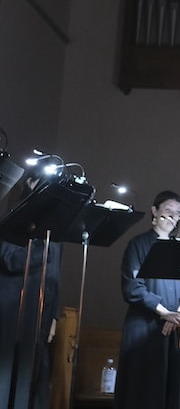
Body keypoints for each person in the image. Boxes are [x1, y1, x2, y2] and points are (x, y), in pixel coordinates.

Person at [114, 190, 180, 409]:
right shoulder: (138, 245)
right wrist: (164, 313)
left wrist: (178, 314)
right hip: (146, 328)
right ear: (154, 211)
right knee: (144, 391)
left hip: (179, 328)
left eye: (177, 213)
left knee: (176, 391)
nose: (172, 217)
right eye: (167, 211)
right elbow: (133, 287)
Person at [0, 167, 62, 409]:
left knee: (34, 377)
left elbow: (55, 275)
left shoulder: (54, 225)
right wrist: (41, 246)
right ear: (31, 182)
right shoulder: (14, 216)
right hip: (13, 313)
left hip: (41, 312)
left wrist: (54, 316)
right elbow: (11, 260)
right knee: (10, 376)